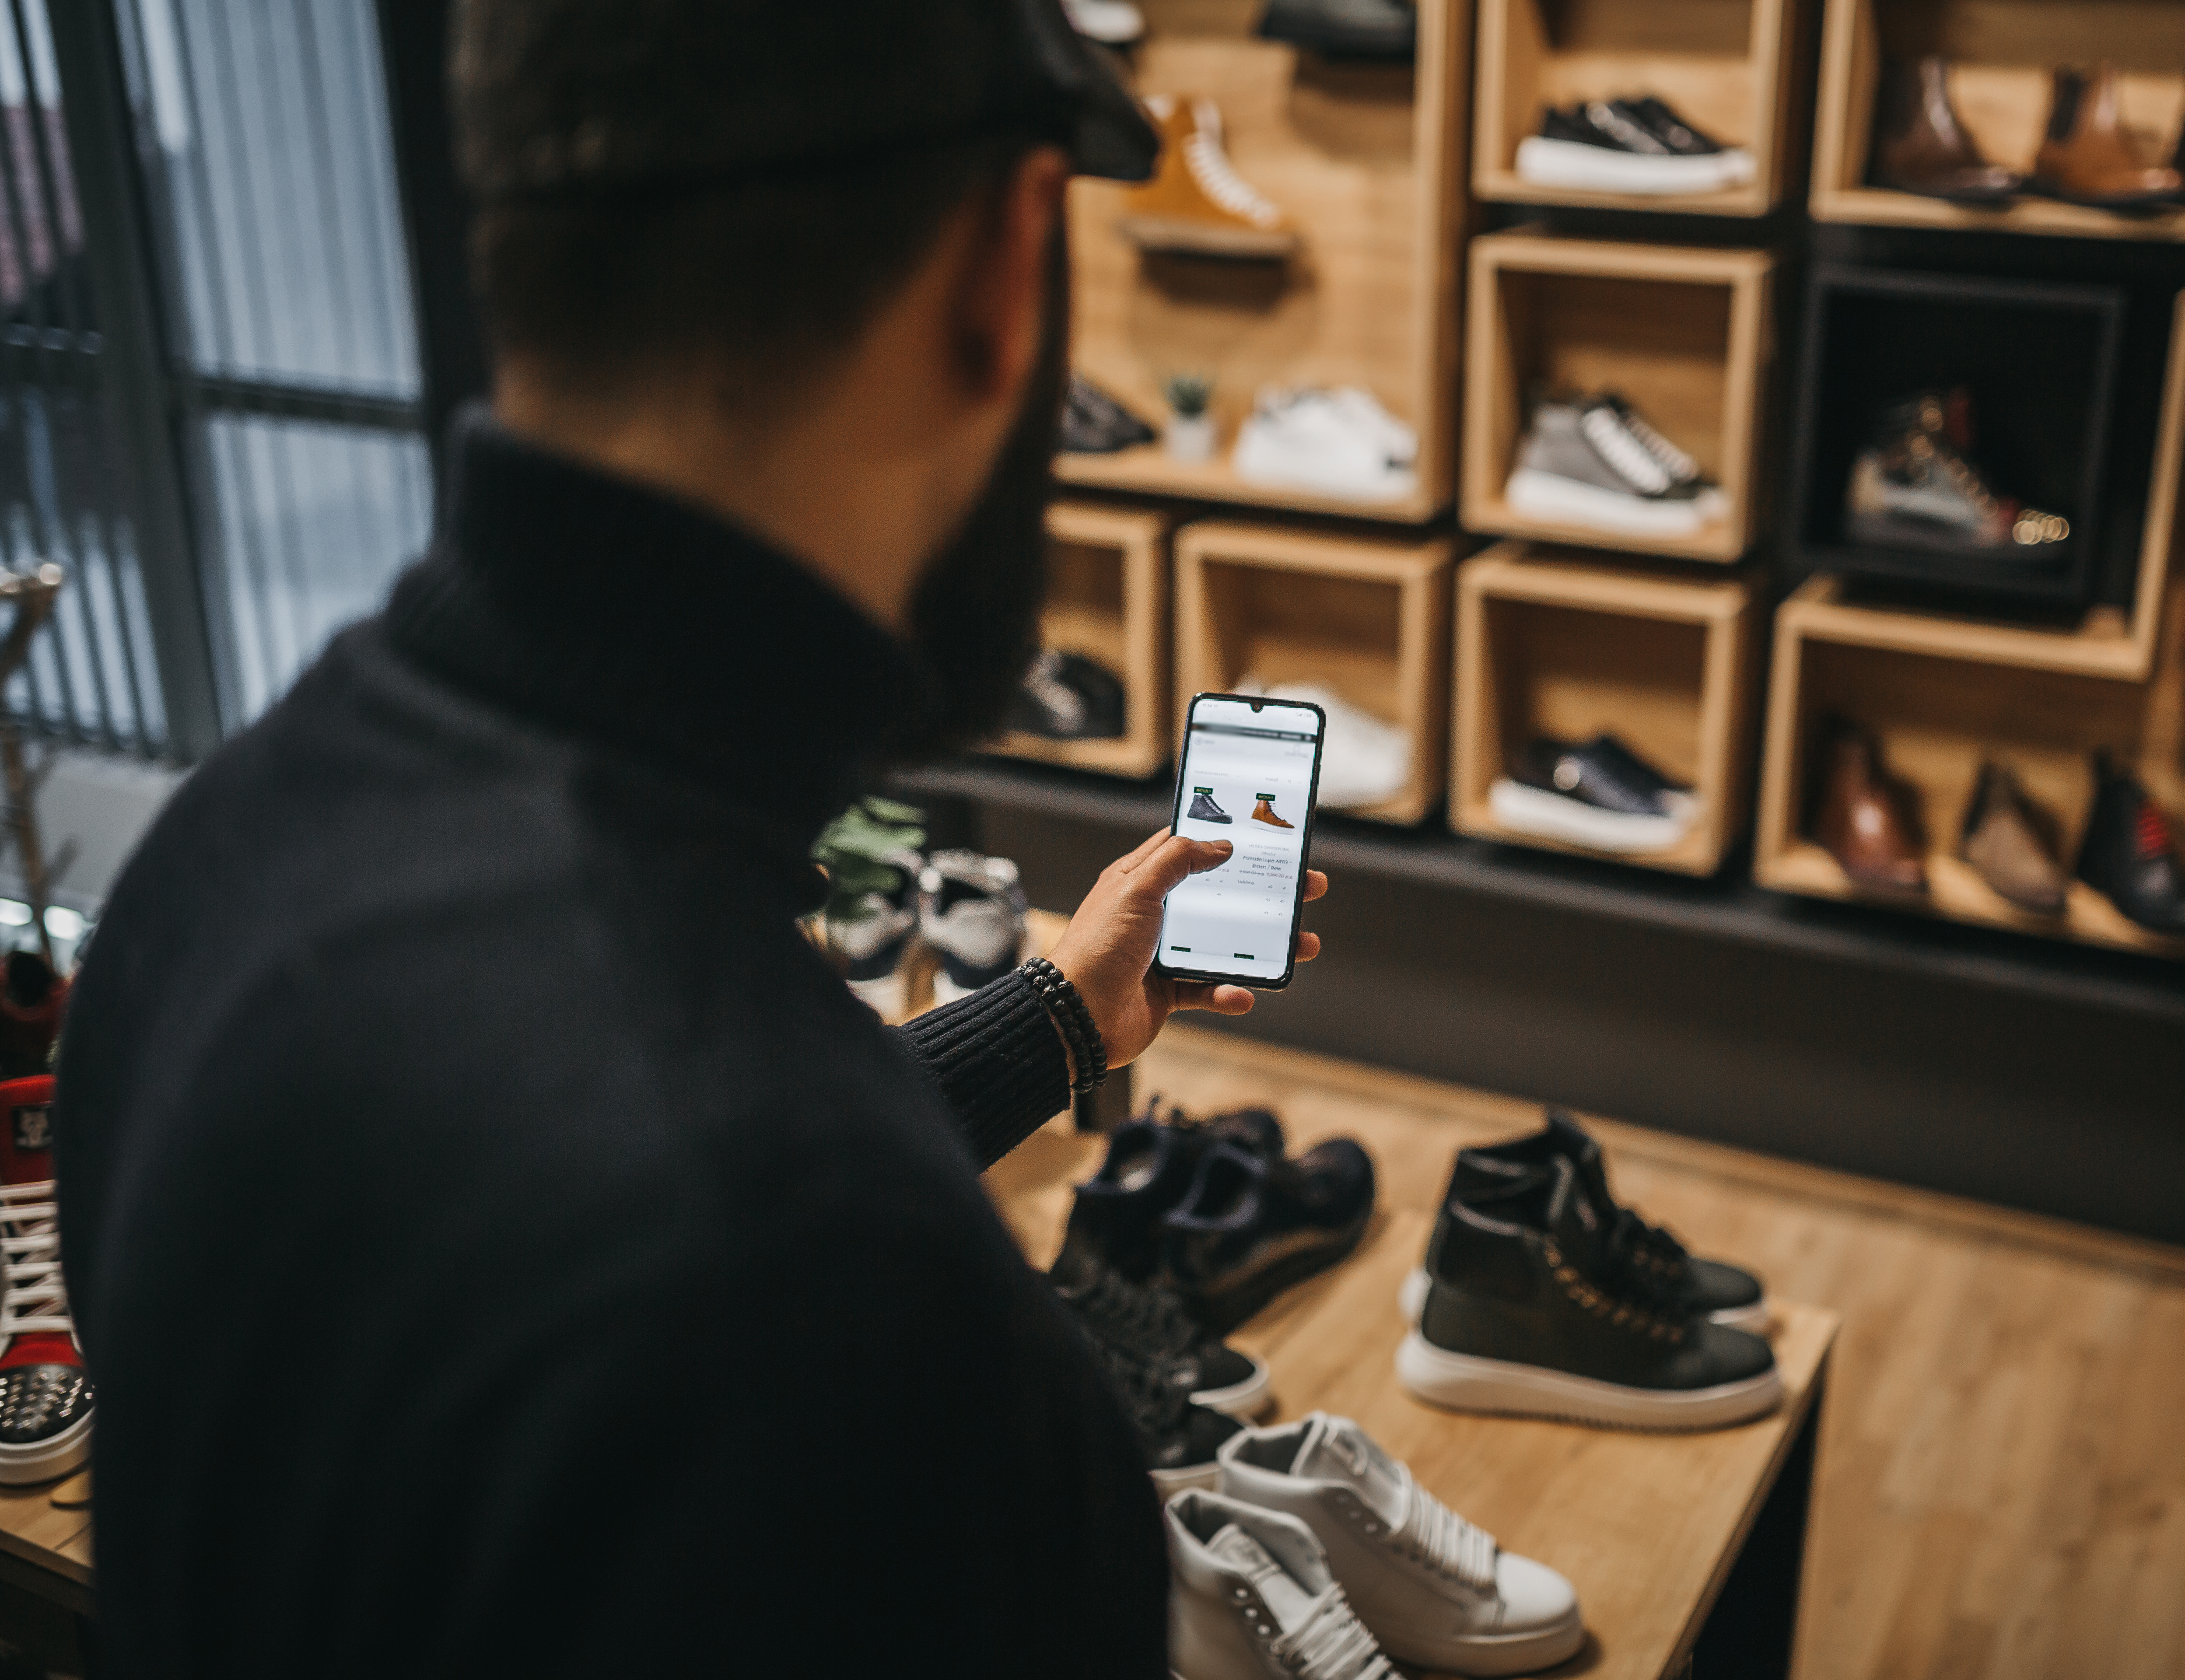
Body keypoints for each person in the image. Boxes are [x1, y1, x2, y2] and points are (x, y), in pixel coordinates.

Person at [56, 1, 1324, 1671]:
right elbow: (712, 1192)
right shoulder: (857, 1313)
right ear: (1010, 266)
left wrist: (1059, 1019)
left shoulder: (214, 862)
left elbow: (531, 1193)